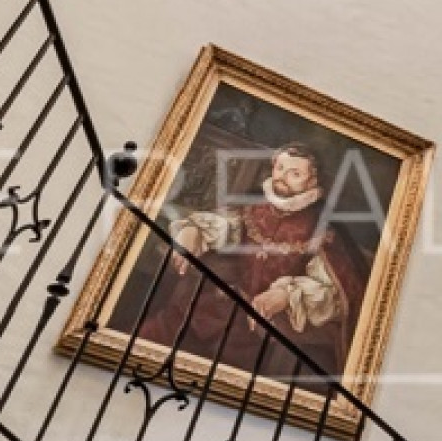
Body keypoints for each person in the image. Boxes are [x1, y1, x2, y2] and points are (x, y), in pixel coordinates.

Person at [137, 143, 373, 385]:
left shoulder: (321, 230)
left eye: (295, 173)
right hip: (223, 301)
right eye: (280, 168)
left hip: (268, 329)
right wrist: (193, 231)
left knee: (225, 375)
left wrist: (286, 295)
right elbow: (225, 225)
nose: (282, 177)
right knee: (159, 334)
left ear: (312, 182)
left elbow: (332, 290)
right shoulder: (254, 207)